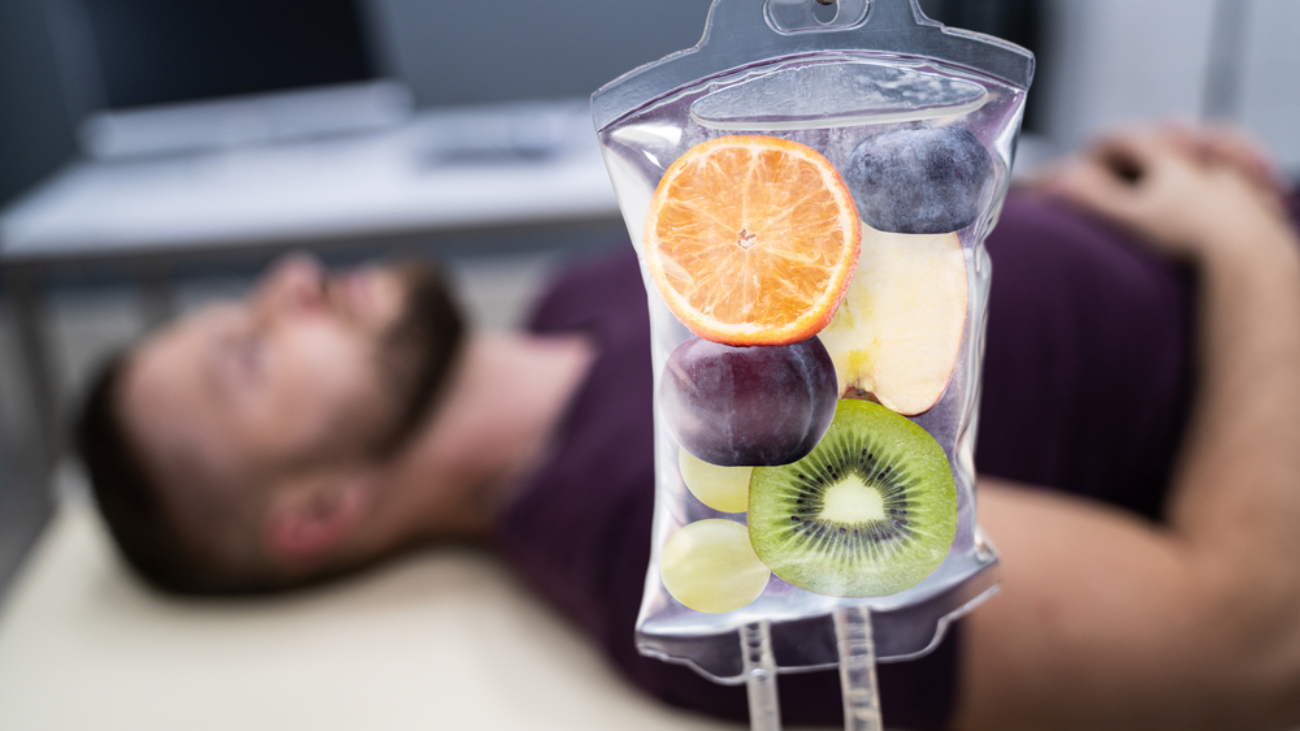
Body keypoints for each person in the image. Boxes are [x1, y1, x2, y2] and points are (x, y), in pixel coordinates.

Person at [74, 124, 1300, 731]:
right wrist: (1246, 253)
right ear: (317, 508)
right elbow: (1246, 637)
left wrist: (1127, 184)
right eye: (249, 353)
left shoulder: (572, 294)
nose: (290, 279)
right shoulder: (684, 548)